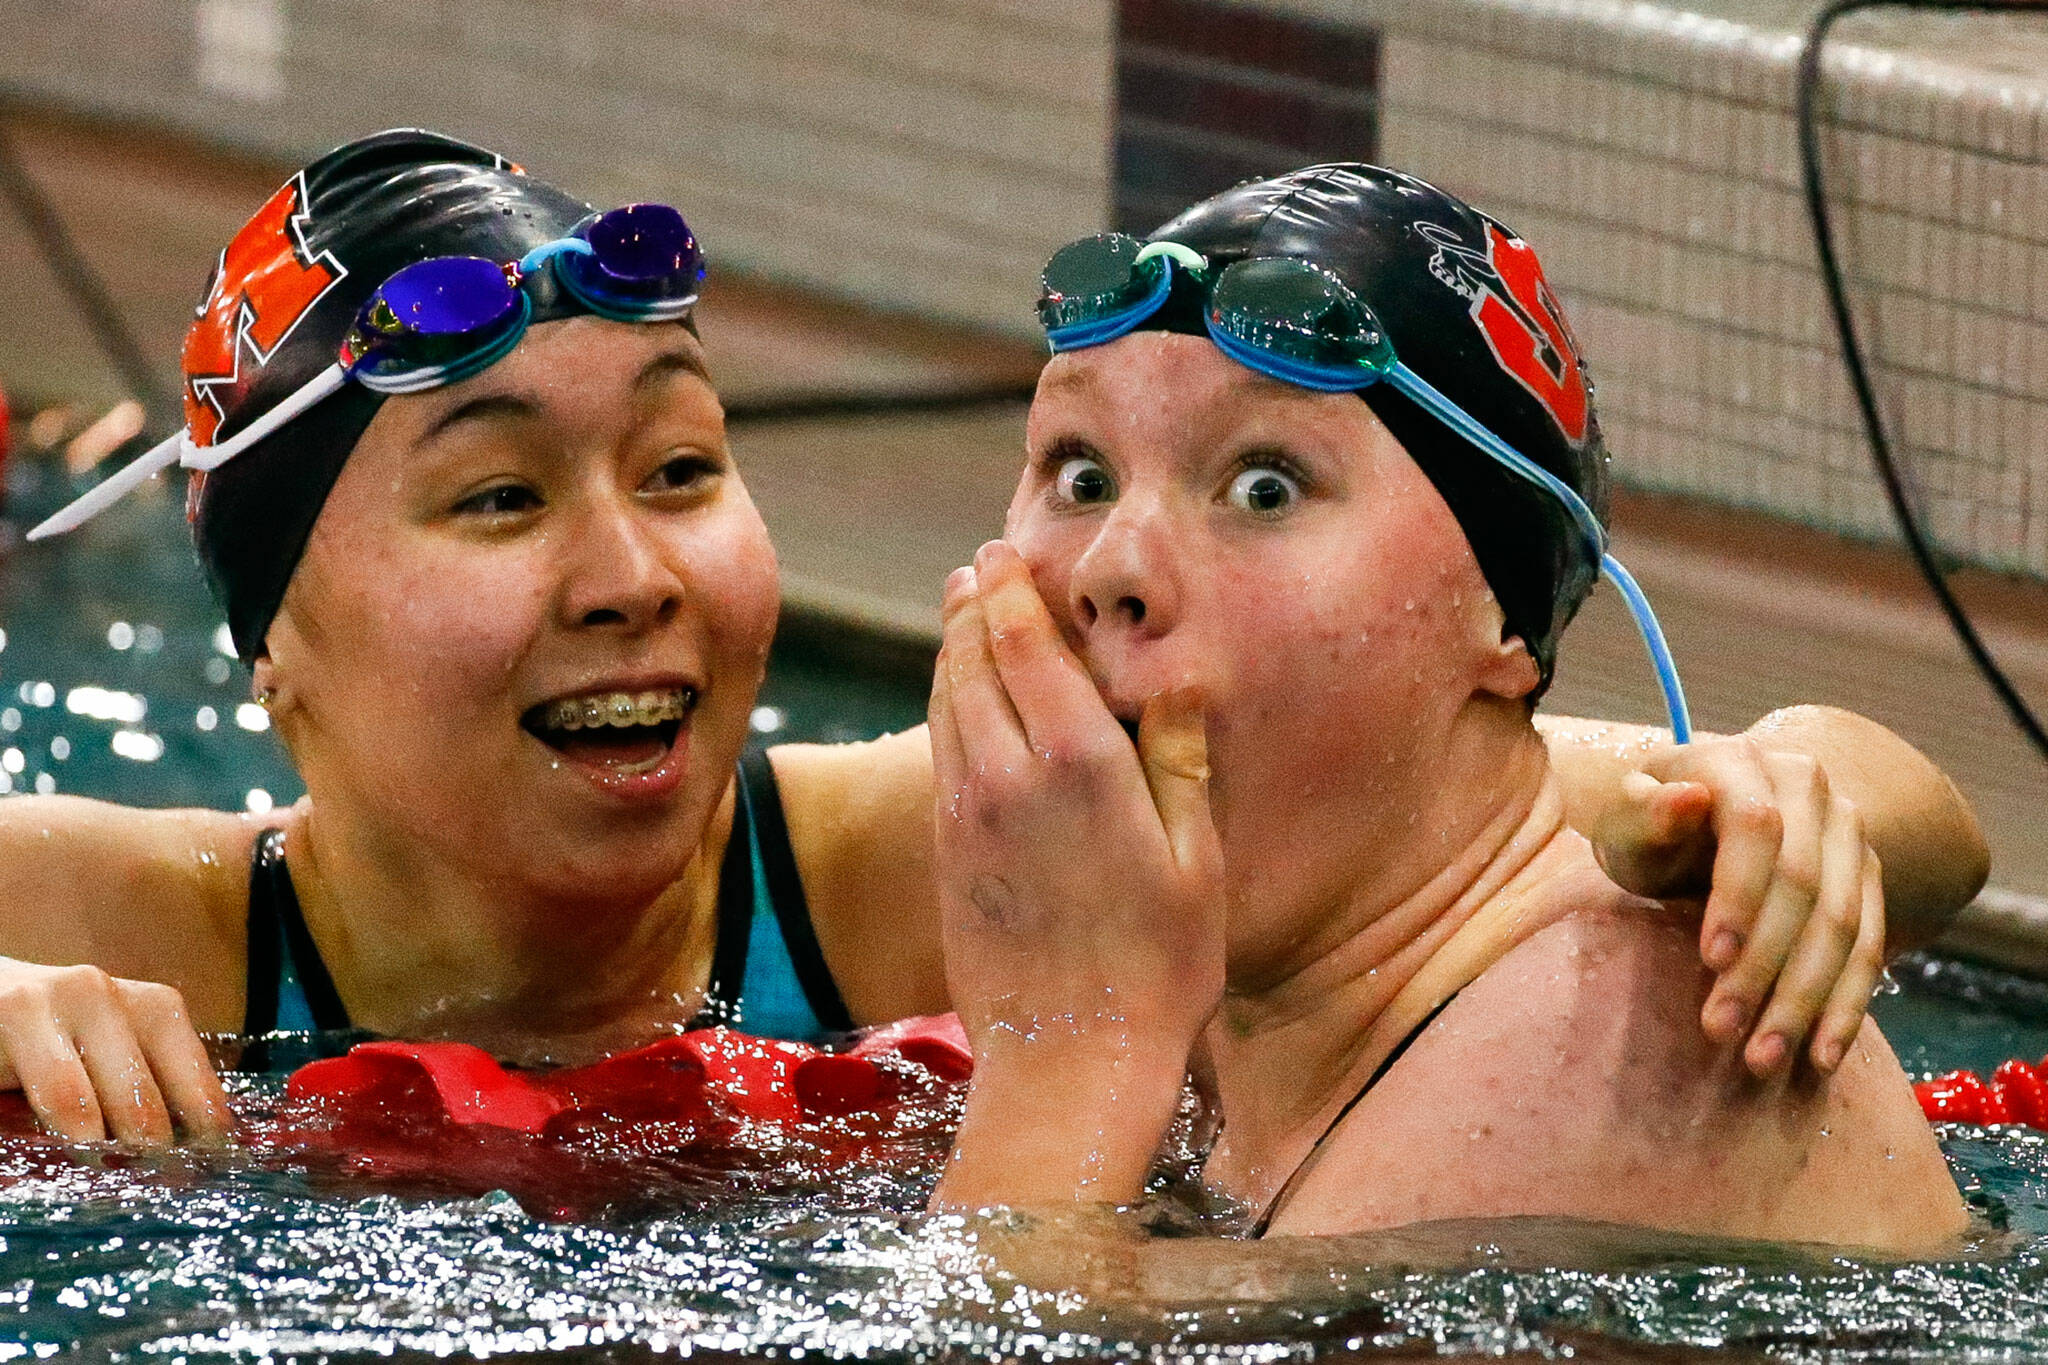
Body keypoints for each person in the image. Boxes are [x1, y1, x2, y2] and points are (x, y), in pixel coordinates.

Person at [0, 136, 1982, 1152]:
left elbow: (1642, 794)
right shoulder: (130, 926)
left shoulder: (921, 853)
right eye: (499, 500)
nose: (633, 574)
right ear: (272, 651)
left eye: (684, 468)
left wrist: (1822, 810)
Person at [927, 165, 1973, 1251]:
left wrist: (1069, 1049)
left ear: (1503, 619)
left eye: (1265, 487)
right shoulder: (1183, 902)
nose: (1109, 565)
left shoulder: (1603, 1041)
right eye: (1081, 473)